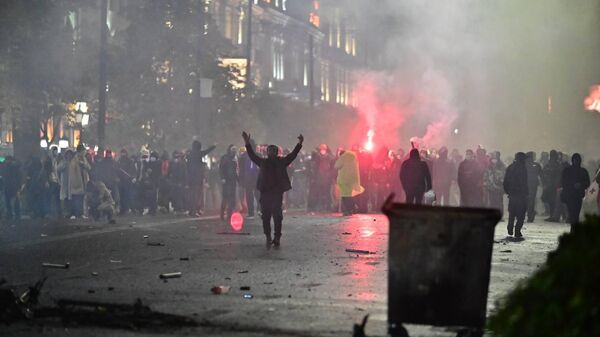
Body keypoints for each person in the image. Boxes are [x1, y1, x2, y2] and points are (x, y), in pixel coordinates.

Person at [242, 131, 303, 248]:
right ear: (267, 152)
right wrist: (247, 143)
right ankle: (268, 236)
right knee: (265, 217)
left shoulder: (282, 161)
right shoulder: (263, 162)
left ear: (277, 152)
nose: (271, 152)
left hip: (277, 194)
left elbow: (293, 155)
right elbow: (252, 156)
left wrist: (299, 144)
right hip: (265, 194)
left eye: (274, 151)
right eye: (270, 150)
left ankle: (277, 237)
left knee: (278, 217)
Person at [560, 153, 590, 226]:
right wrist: (573, 185)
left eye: (577, 160)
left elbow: (587, 183)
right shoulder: (567, 170)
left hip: (578, 196)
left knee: (576, 214)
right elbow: (563, 182)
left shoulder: (583, 171)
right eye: (575, 160)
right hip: (569, 195)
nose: (576, 161)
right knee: (572, 213)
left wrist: (581, 185)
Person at [187, 140, 216, 216]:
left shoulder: (190, 155)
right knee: (197, 195)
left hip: (191, 178)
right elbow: (206, 151)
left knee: (192, 195)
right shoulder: (198, 153)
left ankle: (191, 211)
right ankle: (195, 210)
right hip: (198, 177)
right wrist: (213, 146)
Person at [503, 152, 529, 238]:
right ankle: (517, 231)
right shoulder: (522, 168)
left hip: (512, 194)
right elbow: (524, 183)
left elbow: (505, 181)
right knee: (521, 215)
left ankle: (510, 227)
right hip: (520, 195)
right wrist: (526, 193)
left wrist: (508, 191)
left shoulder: (510, 167)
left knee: (512, 213)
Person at [334, 149, 364, 215]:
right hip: (352, 180)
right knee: (349, 195)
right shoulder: (354, 158)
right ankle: (352, 209)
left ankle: (347, 210)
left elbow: (336, 166)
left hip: (344, 180)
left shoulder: (343, 157)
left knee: (344, 196)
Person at [239, 143, 260, 218]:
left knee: (252, 195)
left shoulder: (244, 156)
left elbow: (241, 169)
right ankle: (257, 210)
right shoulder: (257, 155)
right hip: (253, 178)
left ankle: (254, 212)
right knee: (255, 194)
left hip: (250, 178)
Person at [219, 145, 238, 221]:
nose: (234, 150)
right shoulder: (225, 158)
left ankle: (229, 215)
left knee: (232, 199)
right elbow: (221, 169)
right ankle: (222, 214)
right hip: (226, 181)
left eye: (235, 149)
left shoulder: (234, 158)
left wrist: (238, 179)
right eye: (233, 149)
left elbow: (234, 171)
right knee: (225, 198)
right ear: (229, 149)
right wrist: (222, 178)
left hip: (232, 181)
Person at [542, 150, 562, 222]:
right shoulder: (549, 164)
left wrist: (556, 184)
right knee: (550, 201)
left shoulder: (558, 165)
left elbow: (559, 175)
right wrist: (545, 183)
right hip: (549, 185)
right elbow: (543, 174)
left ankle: (555, 216)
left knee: (554, 201)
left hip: (555, 186)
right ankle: (552, 215)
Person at [2, 156, 22, 220]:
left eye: (7, 160)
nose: (6, 161)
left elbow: (17, 177)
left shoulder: (11, 167)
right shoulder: (13, 167)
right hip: (11, 186)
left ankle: (13, 214)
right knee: (12, 201)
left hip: (11, 186)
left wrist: (18, 186)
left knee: (12, 201)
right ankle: (14, 214)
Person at [525, 151, 542, 222]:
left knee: (526, 200)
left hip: (525, 185)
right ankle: (530, 215)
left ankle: (527, 214)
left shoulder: (523, 164)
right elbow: (541, 174)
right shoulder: (536, 165)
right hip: (532, 185)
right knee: (531, 201)